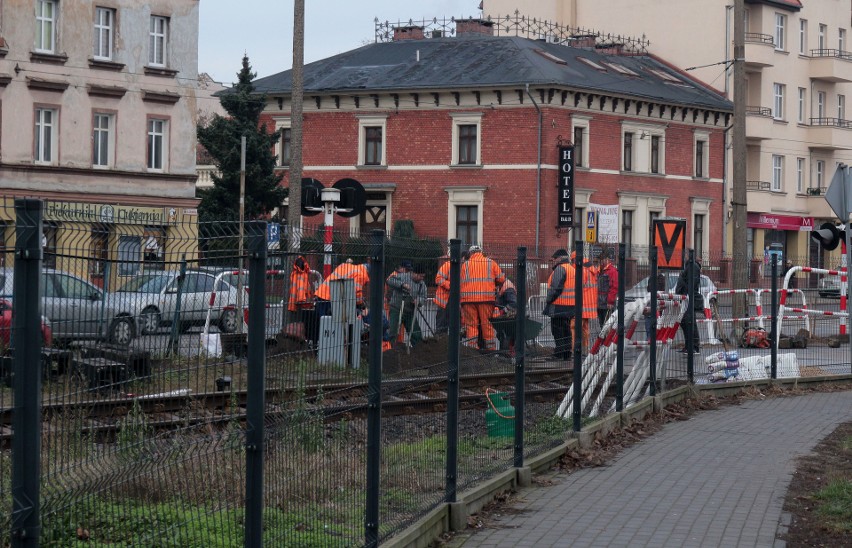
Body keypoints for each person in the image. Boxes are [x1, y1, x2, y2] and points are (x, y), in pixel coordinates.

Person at [314, 258, 371, 344]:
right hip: (331, 298)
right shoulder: (361, 274)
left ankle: (318, 347)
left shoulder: (347, 266)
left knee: (322, 325)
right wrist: (361, 305)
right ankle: (329, 347)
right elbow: (357, 293)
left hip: (322, 293)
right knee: (330, 327)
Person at [460, 245, 506, 350]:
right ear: (481, 252)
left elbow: (460, 282)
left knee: (471, 325)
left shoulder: (465, 265)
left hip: (468, 300)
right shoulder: (491, 263)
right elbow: (501, 279)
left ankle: (472, 349)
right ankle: (491, 350)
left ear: (470, 253)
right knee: (487, 324)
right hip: (486, 299)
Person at [543, 249, 575, 360]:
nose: (554, 260)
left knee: (558, 331)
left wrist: (548, 300)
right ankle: (567, 354)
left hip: (559, 306)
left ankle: (559, 354)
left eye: (555, 258)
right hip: (570, 306)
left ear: (560, 258)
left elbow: (555, 288)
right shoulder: (572, 269)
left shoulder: (560, 269)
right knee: (566, 331)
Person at [387, 263, 427, 348]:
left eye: (423, 277)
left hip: (410, 311)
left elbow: (424, 298)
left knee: (415, 332)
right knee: (393, 331)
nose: (421, 279)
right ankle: (391, 349)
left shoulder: (422, 285)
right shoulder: (402, 276)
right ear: (414, 273)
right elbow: (390, 281)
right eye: (420, 276)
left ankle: (419, 349)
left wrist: (418, 301)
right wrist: (402, 285)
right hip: (396, 309)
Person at [675, 255, 704, 353]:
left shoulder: (692, 267)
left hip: (688, 299)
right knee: (685, 323)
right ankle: (688, 346)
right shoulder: (688, 266)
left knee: (689, 323)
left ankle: (694, 347)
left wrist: (686, 293)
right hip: (685, 299)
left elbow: (693, 283)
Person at [287, 255, 316, 341]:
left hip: (296, 302)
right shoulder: (301, 274)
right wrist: (303, 299)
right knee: (301, 323)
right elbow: (301, 289)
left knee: (299, 323)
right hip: (301, 302)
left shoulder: (295, 274)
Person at [596, 250, 619, 327]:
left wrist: (610, 301)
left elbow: (614, 287)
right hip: (599, 302)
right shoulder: (599, 270)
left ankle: (607, 339)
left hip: (606, 303)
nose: (601, 261)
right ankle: (604, 339)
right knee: (602, 324)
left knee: (607, 325)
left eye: (602, 259)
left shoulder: (612, 271)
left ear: (607, 259)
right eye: (600, 260)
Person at [434, 255, 451, 335]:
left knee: (456, 326)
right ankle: (440, 343)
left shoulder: (465, 268)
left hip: (455, 302)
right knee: (441, 326)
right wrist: (451, 286)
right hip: (444, 302)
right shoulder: (448, 265)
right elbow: (438, 279)